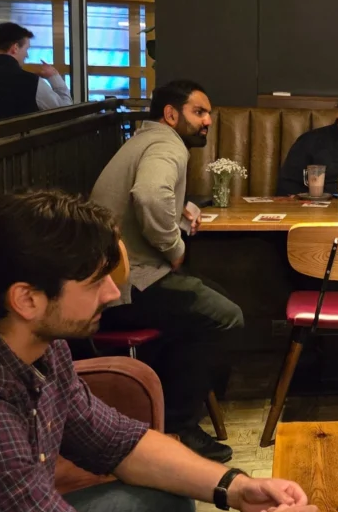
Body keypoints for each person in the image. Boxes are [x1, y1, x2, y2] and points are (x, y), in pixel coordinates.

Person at [0, 189, 318, 512]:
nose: (113, 294)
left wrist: (237, 487)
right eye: (96, 283)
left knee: (165, 503)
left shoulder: (46, 353)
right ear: (26, 300)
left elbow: (119, 443)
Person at [90, 80, 244, 462]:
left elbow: (149, 196)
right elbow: (148, 195)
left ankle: (159, 409)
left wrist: (183, 211)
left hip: (111, 277)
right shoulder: (166, 144)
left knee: (212, 299)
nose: (208, 120)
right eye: (199, 112)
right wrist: (175, 247)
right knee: (225, 316)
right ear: (171, 114)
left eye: (209, 113)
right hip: (126, 285)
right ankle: (180, 426)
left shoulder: (146, 139)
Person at [0, 21, 73, 120]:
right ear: (15, 48)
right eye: (26, 49)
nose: (27, 55)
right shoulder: (31, 83)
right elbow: (66, 114)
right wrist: (54, 77)